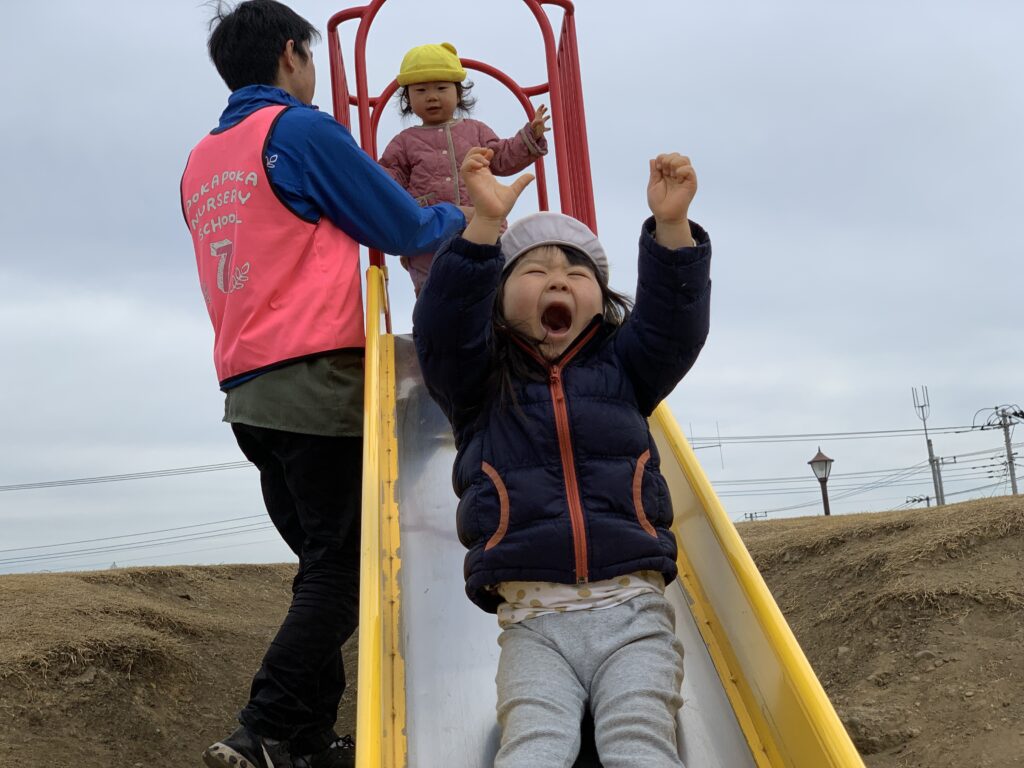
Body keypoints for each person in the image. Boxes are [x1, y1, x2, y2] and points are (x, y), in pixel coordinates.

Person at [180, 2, 467, 767]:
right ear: (290, 56)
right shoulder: (300, 131)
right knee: (345, 569)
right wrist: (461, 222)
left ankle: (303, 739)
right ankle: (264, 725)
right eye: (309, 58)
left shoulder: (203, 160)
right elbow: (399, 224)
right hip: (315, 377)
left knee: (320, 565)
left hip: (247, 391)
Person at [412, 146, 712, 767]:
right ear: (497, 303)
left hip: (634, 615)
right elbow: (441, 328)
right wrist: (483, 230)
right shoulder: (479, 384)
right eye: (533, 272)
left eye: (577, 275)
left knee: (638, 741)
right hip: (534, 625)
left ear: (599, 304)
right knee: (535, 746)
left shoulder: (625, 369)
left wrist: (672, 228)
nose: (557, 279)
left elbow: (675, 326)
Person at [379, 42, 550, 296]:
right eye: (421, 90)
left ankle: (492, 321)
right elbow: (389, 178)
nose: (432, 96)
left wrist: (529, 136)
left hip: (482, 224)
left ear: (458, 93)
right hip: (430, 233)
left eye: (441, 88)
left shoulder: (475, 131)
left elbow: (502, 157)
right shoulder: (404, 142)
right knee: (433, 286)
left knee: (490, 280)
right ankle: (433, 325)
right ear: (408, 99)